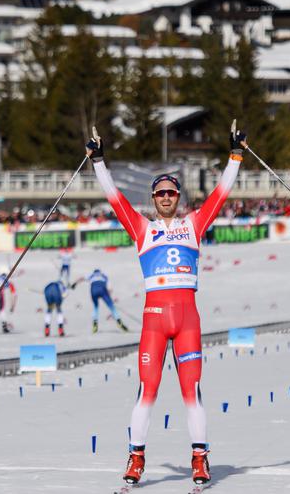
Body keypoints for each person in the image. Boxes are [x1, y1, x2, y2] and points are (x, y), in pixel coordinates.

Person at [88, 123, 245, 487]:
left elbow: (221, 194)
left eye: (171, 193)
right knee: (148, 390)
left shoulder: (193, 224)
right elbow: (115, 198)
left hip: (187, 318)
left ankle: (200, 459)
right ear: (153, 198)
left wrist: (235, 156)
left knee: (193, 392)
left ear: (179, 196)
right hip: (154, 320)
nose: (166, 198)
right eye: (160, 193)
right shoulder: (142, 228)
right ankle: (136, 458)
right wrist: (98, 160)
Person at [87, 268, 128, 333]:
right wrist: (110, 298)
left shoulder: (91, 275)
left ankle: (95, 324)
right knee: (112, 308)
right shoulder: (104, 275)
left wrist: (74, 284)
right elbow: (109, 289)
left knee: (95, 307)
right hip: (103, 290)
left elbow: (81, 278)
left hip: (94, 291)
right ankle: (119, 322)